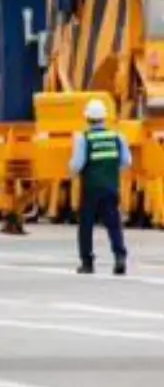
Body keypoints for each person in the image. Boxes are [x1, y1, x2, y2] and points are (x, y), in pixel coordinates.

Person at [70, 97, 130, 275]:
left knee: (86, 225)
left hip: (91, 189)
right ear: (105, 117)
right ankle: (120, 257)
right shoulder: (117, 137)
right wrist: (110, 170)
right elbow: (126, 161)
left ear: (87, 118)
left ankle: (87, 262)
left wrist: (71, 173)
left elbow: (77, 165)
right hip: (111, 187)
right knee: (114, 224)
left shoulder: (84, 138)